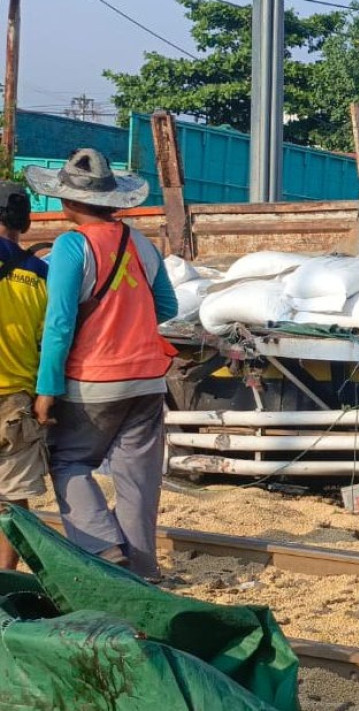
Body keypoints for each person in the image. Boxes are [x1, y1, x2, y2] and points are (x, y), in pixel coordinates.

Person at [25, 149, 178, 582]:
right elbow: (166, 304)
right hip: (148, 378)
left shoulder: (72, 246)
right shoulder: (141, 242)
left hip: (93, 380)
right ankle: (143, 568)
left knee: (69, 461)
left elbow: (60, 322)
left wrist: (47, 388)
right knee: (138, 477)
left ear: (67, 202)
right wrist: (128, 322)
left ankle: (103, 550)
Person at [0, 182, 46, 570]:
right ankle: (5, 578)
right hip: (17, 396)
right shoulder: (40, 272)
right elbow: (47, 338)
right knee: (12, 495)